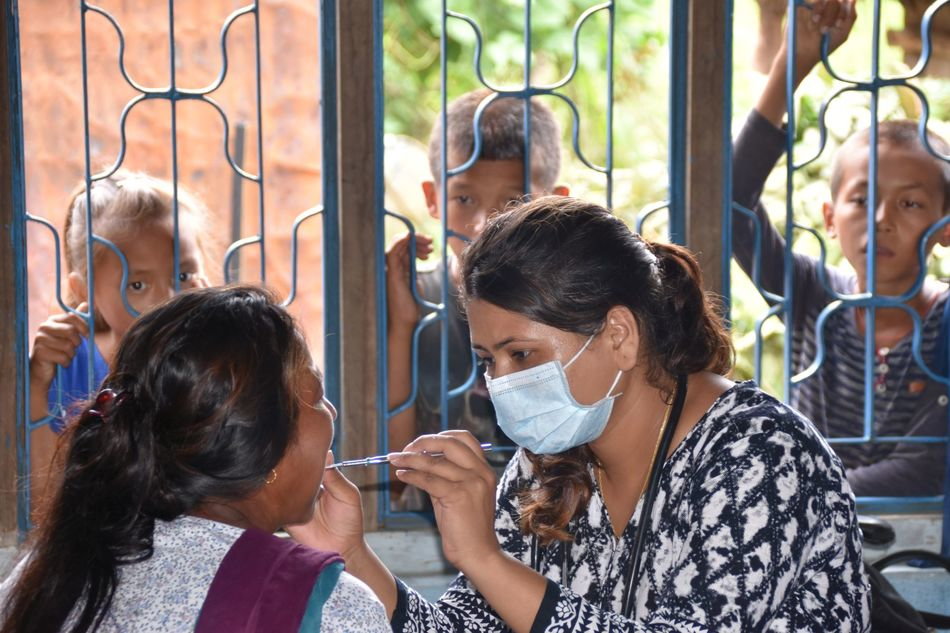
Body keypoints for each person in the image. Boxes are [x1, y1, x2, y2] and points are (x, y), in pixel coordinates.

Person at [294, 196, 870, 632]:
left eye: (522, 354)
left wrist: (484, 557)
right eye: (487, 360)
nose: (501, 384)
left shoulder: (759, 455)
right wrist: (352, 555)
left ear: (618, 334)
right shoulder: (545, 465)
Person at [0, 285, 390, 633]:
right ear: (266, 445)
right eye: (317, 396)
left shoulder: (39, 581)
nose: (332, 414)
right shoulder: (330, 608)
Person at [733, 0, 950, 495]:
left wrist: (803, 495)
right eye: (860, 200)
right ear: (830, 219)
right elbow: (730, 203)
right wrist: (793, 65)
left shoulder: (947, 322)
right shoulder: (810, 293)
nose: (881, 220)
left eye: (911, 203)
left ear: (946, 226)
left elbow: (925, 467)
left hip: (915, 553)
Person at [385, 89, 568, 506]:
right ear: (433, 199)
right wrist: (402, 328)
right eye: (464, 199)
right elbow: (394, 487)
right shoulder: (409, 299)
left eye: (513, 201)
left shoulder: (575, 312)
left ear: (555, 202)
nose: (485, 224)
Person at [28, 171, 212, 505]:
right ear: (85, 290)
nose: (168, 298)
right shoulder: (68, 363)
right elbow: (44, 502)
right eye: (137, 285)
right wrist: (35, 385)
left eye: (183, 275)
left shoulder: (221, 359)